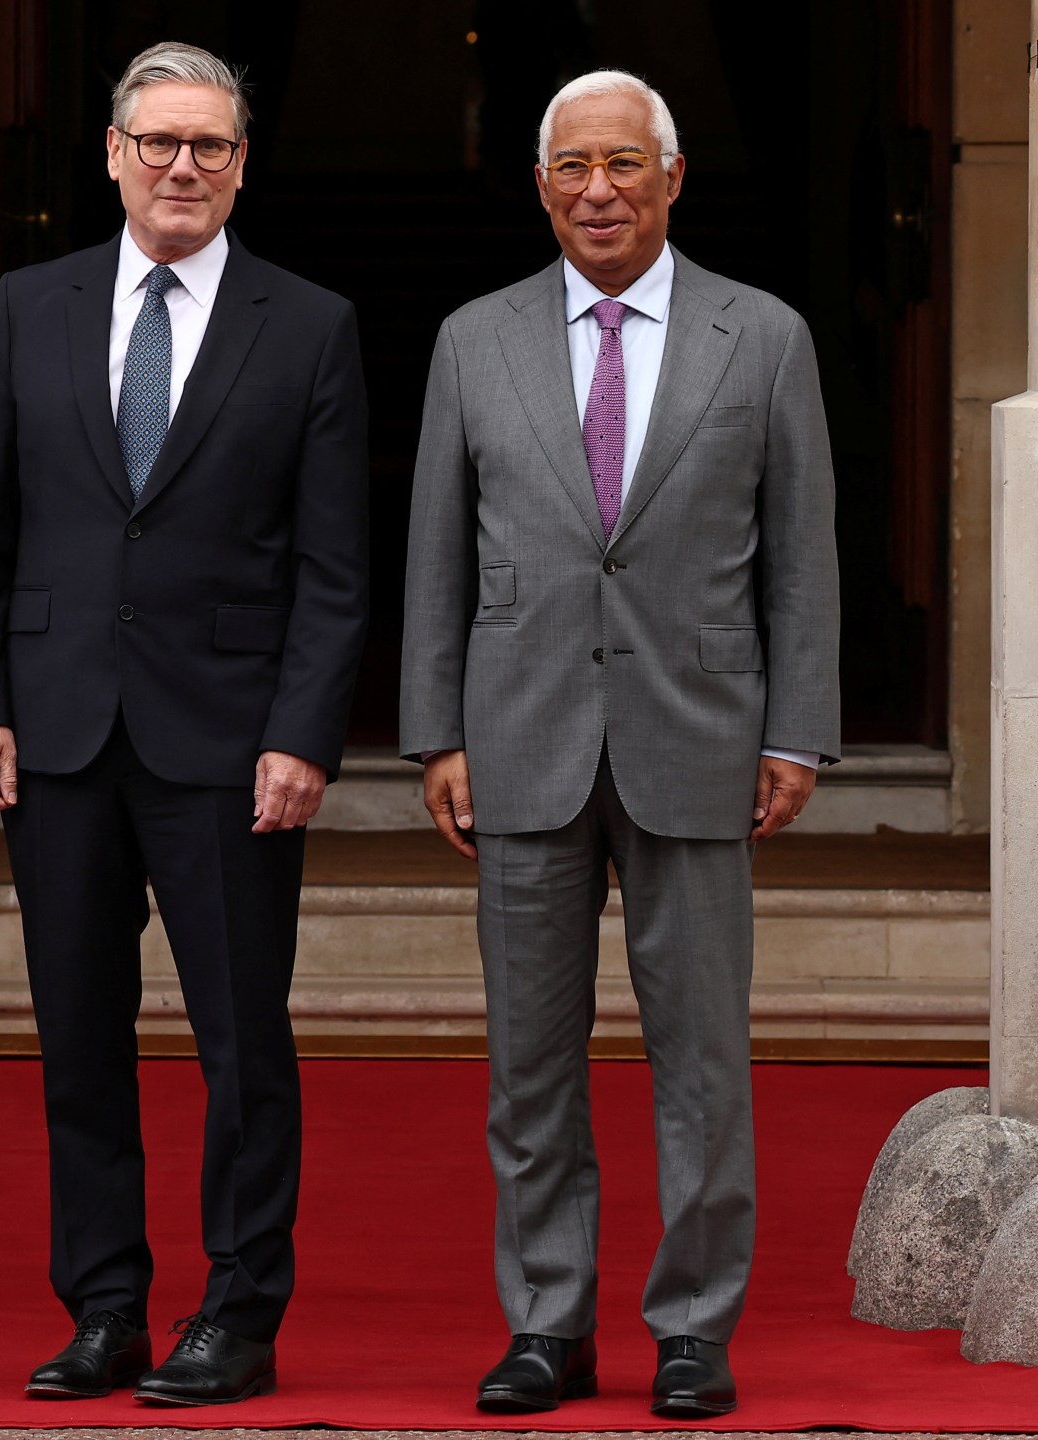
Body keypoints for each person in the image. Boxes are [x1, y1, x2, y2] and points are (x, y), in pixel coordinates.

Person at [399, 70, 840, 1419]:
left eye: (624, 164)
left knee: (702, 1061)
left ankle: (694, 1330)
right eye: (573, 168)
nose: (599, 190)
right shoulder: (473, 339)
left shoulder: (763, 336)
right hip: (518, 736)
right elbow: (436, 552)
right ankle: (548, 1324)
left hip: (701, 736)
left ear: (672, 176)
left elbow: (801, 556)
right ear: (542, 186)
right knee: (528, 1065)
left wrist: (797, 732)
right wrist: (435, 731)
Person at [0, 41, 369, 1408]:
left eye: (211, 146)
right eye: (160, 142)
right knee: (78, 1036)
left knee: (242, 1043)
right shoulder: (34, 303)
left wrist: (304, 732)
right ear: (115, 154)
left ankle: (238, 1313)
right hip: (57, 734)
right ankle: (106, 1308)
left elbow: (334, 564)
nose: (184, 166)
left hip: (233, 744)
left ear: (242, 166)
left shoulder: (310, 324)